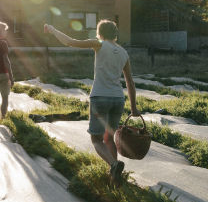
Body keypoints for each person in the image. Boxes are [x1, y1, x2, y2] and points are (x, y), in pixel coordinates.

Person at [44, 20, 139, 184]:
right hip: (118, 99)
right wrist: (134, 108)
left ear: (99, 33)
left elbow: (70, 42)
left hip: (100, 97)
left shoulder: (99, 44)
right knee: (109, 138)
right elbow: (130, 82)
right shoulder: (123, 53)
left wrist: (53, 29)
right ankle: (115, 178)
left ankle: (114, 164)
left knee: (96, 140)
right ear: (115, 33)